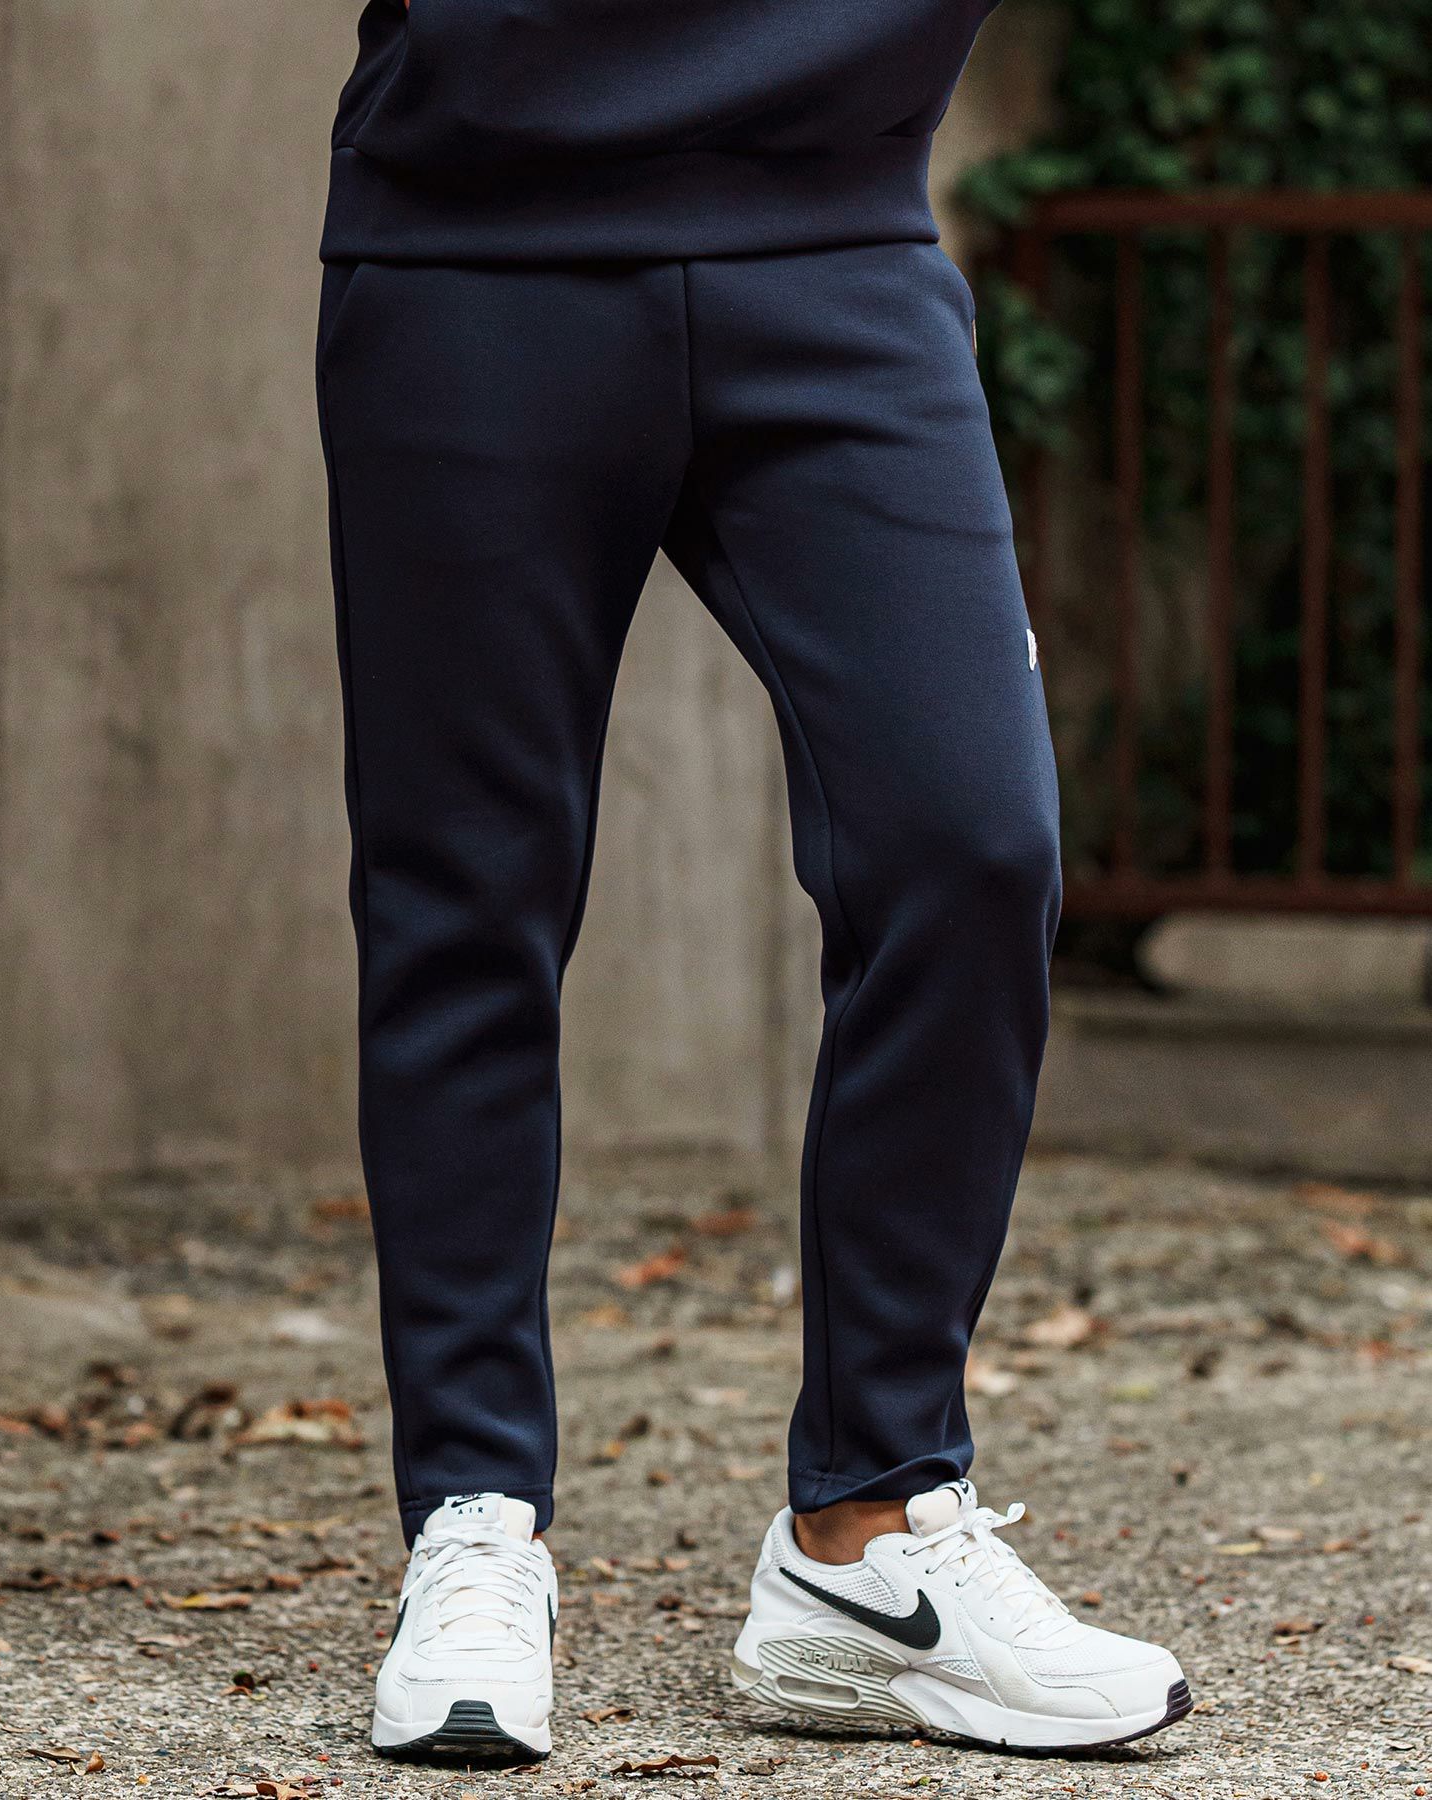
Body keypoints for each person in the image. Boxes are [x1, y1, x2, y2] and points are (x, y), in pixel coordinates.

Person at [316, 0, 1191, 1763]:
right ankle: (475, 1517)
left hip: (842, 248)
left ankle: (870, 1532)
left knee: (972, 844)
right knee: (466, 901)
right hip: (474, 248)